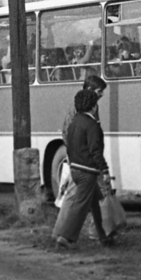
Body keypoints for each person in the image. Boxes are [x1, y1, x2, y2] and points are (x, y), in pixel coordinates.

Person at [53, 88, 113, 248]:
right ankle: (67, 237)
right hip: (88, 171)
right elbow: (95, 151)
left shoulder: (74, 123)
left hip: (75, 169)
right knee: (80, 206)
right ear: (93, 106)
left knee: (96, 204)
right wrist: (105, 170)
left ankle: (104, 236)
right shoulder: (92, 125)